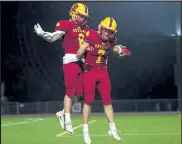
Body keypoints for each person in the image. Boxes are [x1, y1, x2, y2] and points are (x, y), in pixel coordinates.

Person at [34, 3, 90, 135]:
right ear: (74, 13)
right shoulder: (66, 24)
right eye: (81, 16)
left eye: (85, 17)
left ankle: (63, 113)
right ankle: (68, 121)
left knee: (80, 93)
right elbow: (53, 37)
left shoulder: (86, 28)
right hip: (70, 59)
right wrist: (42, 34)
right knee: (70, 90)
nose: (83, 19)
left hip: (82, 62)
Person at [76, 17, 130, 144]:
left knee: (107, 101)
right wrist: (85, 49)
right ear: (101, 28)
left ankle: (112, 129)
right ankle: (85, 131)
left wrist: (121, 51)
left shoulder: (112, 40)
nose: (108, 33)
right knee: (88, 101)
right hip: (90, 71)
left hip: (103, 71)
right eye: (106, 30)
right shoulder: (91, 35)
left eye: (110, 31)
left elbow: (117, 50)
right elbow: (78, 54)